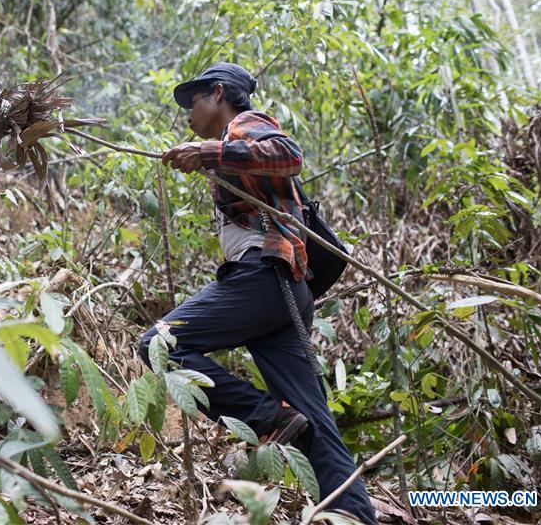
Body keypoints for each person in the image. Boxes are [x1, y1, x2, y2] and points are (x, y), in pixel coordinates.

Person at [138, 62, 377, 524]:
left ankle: (267, 416)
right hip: (284, 292)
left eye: (194, 101)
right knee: (313, 423)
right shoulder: (230, 143)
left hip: (266, 278)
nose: (188, 112)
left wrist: (211, 151)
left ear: (220, 93)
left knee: (160, 344)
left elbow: (288, 154)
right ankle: (356, 517)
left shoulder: (245, 126)